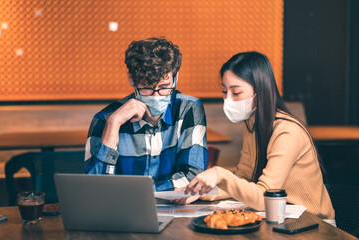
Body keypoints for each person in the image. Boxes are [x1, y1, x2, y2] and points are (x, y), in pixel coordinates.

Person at [182, 51, 335, 221]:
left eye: (236, 93)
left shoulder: (287, 132)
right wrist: (201, 192)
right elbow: (244, 180)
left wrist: (220, 174)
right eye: (225, 92)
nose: (228, 100)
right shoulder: (251, 124)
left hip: (313, 224)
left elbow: (264, 198)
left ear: (260, 91)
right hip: (282, 216)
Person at [85, 37, 207, 191]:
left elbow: (193, 176)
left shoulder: (188, 108)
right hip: (125, 212)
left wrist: (142, 194)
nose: (156, 96)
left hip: (172, 210)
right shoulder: (105, 118)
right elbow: (96, 188)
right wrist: (113, 124)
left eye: (164, 87)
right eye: (147, 88)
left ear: (176, 78)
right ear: (131, 79)